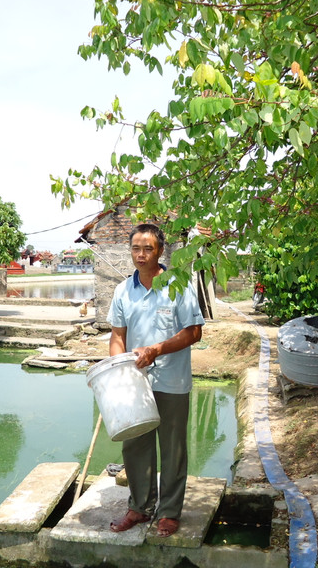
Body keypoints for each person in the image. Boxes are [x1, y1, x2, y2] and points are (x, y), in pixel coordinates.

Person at [106, 223, 205, 537]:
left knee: (173, 449)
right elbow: (117, 336)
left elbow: (194, 332)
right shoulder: (123, 290)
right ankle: (139, 507)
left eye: (147, 248)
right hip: (136, 383)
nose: (140, 254)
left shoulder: (178, 285)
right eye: (135, 248)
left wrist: (157, 349)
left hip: (172, 381)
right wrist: (119, 370)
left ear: (160, 251)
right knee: (135, 445)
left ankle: (169, 512)